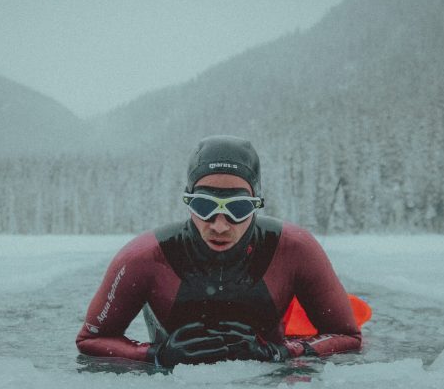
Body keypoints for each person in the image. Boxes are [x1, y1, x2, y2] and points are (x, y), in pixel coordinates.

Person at [76, 135, 362, 367]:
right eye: (205, 206)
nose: (220, 225)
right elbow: (90, 340)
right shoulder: (144, 258)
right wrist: (156, 355)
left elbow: (348, 336)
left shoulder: (295, 250)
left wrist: (283, 353)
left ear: (256, 204)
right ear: (188, 202)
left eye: (237, 208)